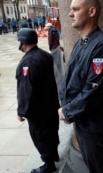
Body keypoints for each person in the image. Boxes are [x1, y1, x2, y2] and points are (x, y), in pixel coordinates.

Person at [58, 0, 103, 173]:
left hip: (97, 129)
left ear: (92, 11)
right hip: (84, 123)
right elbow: (69, 77)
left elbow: (94, 90)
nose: (70, 14)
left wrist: (67, 111)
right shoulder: (81, 43)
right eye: (70, 9)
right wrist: (65, 106)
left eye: (75, 9)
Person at [15, 28, 60, 173]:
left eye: (19, 41)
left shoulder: (28, 62)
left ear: (24, 42)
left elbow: (26, 90)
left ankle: (48, 165)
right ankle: (53, 155)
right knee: (52, 132)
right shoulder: (45, 55)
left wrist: (21, 111)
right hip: (51, 105)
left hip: (38, 111)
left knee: (41, 137)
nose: (18, 43)